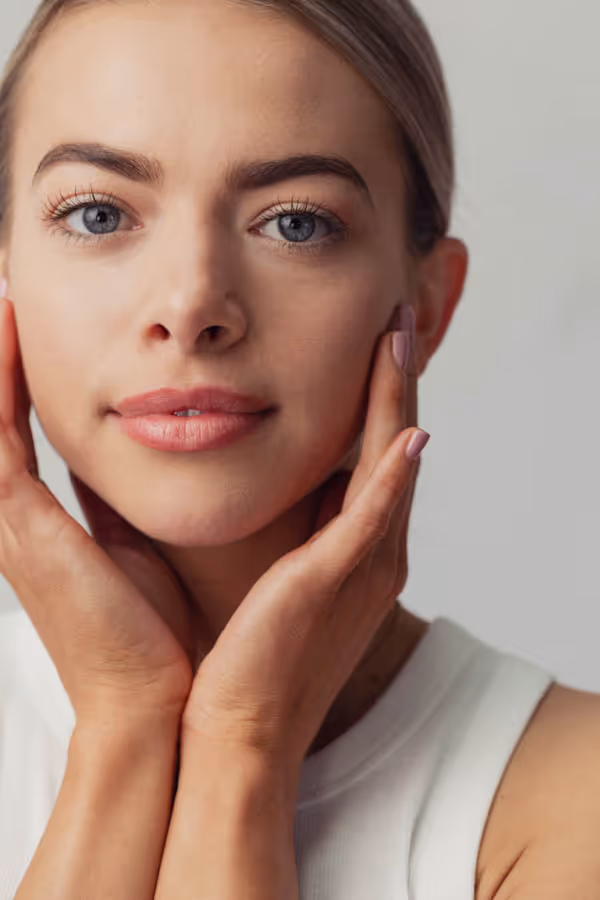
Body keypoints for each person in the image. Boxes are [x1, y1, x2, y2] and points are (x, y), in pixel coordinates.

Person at [0, 1, 598, 898]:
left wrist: (243, 752)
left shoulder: (573, 795)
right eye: (96, 214)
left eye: (296, 224)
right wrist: (124, 725)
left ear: (427, 306)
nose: (191, 305)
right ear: (6, 267)